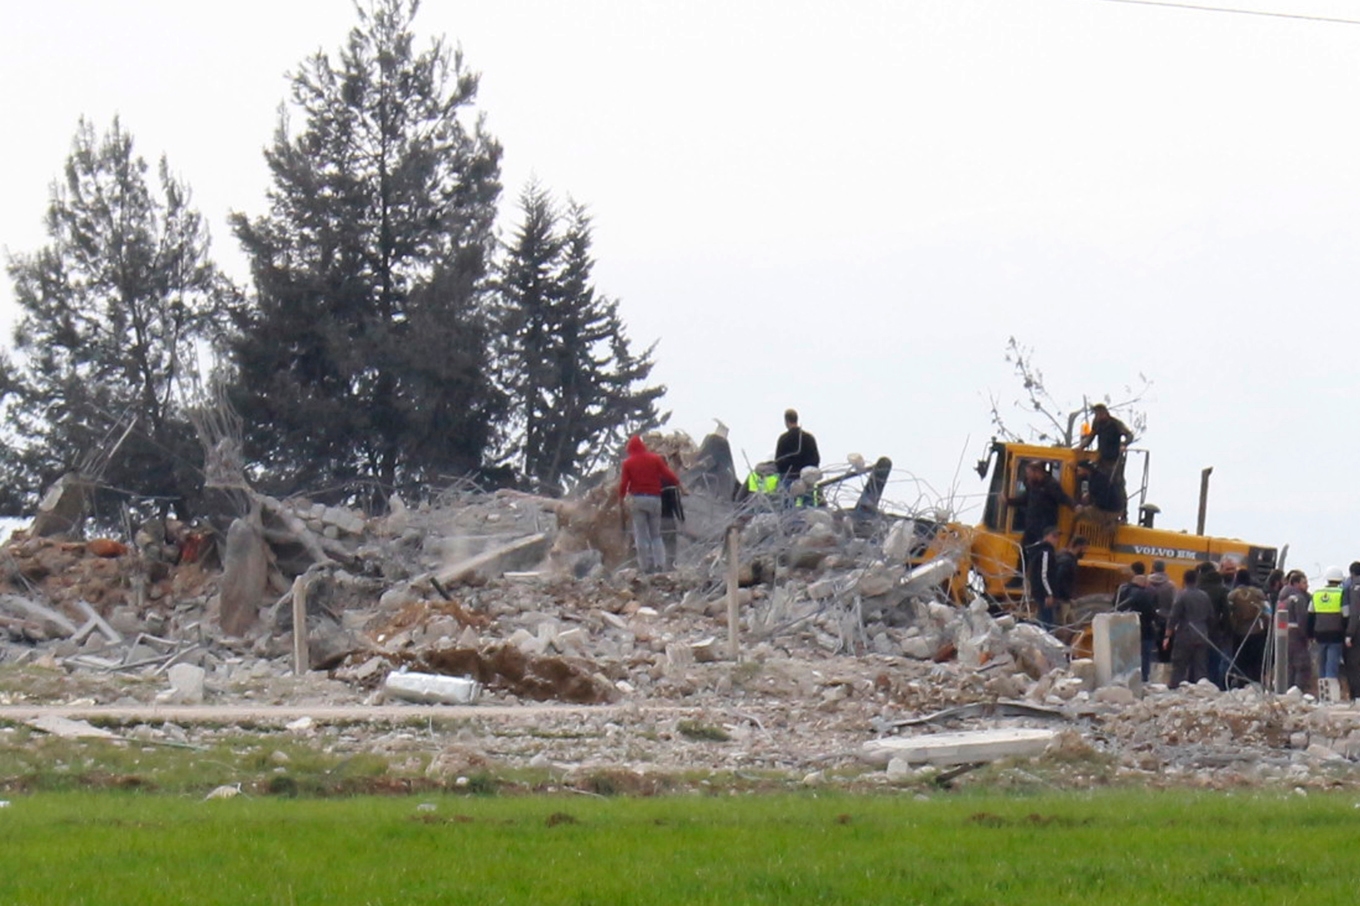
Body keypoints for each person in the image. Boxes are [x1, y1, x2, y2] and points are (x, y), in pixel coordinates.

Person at [618, 435, 683, 574]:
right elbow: (668, 474)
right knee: (656, 535)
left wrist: (621, 498)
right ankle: (660, 564)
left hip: (638, 500)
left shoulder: (627, 463)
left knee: (641, 535)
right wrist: (680, 485)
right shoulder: (655, 459)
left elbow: (624, 483)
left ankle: (645, 566)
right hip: (655, 499)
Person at [1006, 462, 1075, 551]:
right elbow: (1024, 500)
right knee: (1024, 552)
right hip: (1031, 527)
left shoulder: (1051, 485)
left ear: (1037, 472)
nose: (1027, 476)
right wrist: (1008, 501)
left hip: (1044, 528)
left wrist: (1075, 506)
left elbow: (1062, 497)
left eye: (1028, 473)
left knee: (1040, 552)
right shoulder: (1033, 485)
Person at [1164, 568, 1214, 688]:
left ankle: (1175, 689)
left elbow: (1174, 616)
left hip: (1184, 634)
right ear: (1196, 580)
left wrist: (1167, 635)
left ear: (1184, 580)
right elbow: (1211, 616)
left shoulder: (1182, 595)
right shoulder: (1205, 596)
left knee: (1179, 665)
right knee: (1200, 666)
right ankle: (1201, 692)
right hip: (1202, 634)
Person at [1115, 561, 1161, 681]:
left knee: (1126, 657)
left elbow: (1115, 606)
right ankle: (1143, 679)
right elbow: (1151, 613)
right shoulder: (1144, 594)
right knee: (1144, 657)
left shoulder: (1122, 589)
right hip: (1144, 631)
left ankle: (1124, 678)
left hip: (1123, 631)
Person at [1226, 567, 1268, 685]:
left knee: (1241, 660)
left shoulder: (1232, 595)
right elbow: (1266, 612)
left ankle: (1241, 682)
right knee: (1255, 661)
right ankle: (1256, 682)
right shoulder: (1258, 593)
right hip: (1256, 631)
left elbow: (1229, 614)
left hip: (1239, 631)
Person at [1308, 565, 1347, 684]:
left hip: (1319, 634)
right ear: (1340, 580)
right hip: (1336, 634)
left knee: (1322, 665)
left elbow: (1310, 615)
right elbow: (1346, 615)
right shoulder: (1342, 593)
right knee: (1332, 665)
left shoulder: (1317, 594)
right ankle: (1331, 694)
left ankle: (1322, 694)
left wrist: (1310, 635)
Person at [1278, 570, 1313, 693]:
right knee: (1301, 665)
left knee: (1287, 666)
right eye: (1304, 582)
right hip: (1297, 635)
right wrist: (1306, 635)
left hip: (1282, 636)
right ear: (1296, 584)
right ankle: (1297, 692)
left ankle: (1285, 690)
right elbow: (1302, 619)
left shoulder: (1281, 598)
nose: (1307, 585)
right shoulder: (1299, 598)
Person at [1026, 526, 1061, 628]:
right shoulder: (1045, 552)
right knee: (1047, 623)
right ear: (1045, 537)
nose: (1056, 540)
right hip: (1044, 595)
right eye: (1054, 536)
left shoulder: (1043, 551)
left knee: (1044, 620)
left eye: (1057, 537)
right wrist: (1048, 594)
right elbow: (1044, 574)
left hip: (1041, 593)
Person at [774, 409, 820, 486]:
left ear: (786, 421)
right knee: (807, 497)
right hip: (806, 480)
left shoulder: (783, 439)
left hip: (788, 480)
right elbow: (816, 459)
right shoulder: (809, 438)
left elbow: (778, 462)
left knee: (788, 497)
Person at [1051, 535, 1088, 629]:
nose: (1085, 552)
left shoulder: (1068, 559)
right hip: (1062, 600)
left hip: (1066, 600)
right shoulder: (1067, 561)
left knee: (1073, 627)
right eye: (1085, 549)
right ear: (1079, 547)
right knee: (1061, 628)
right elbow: (1059, 580)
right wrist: (1064, 597)